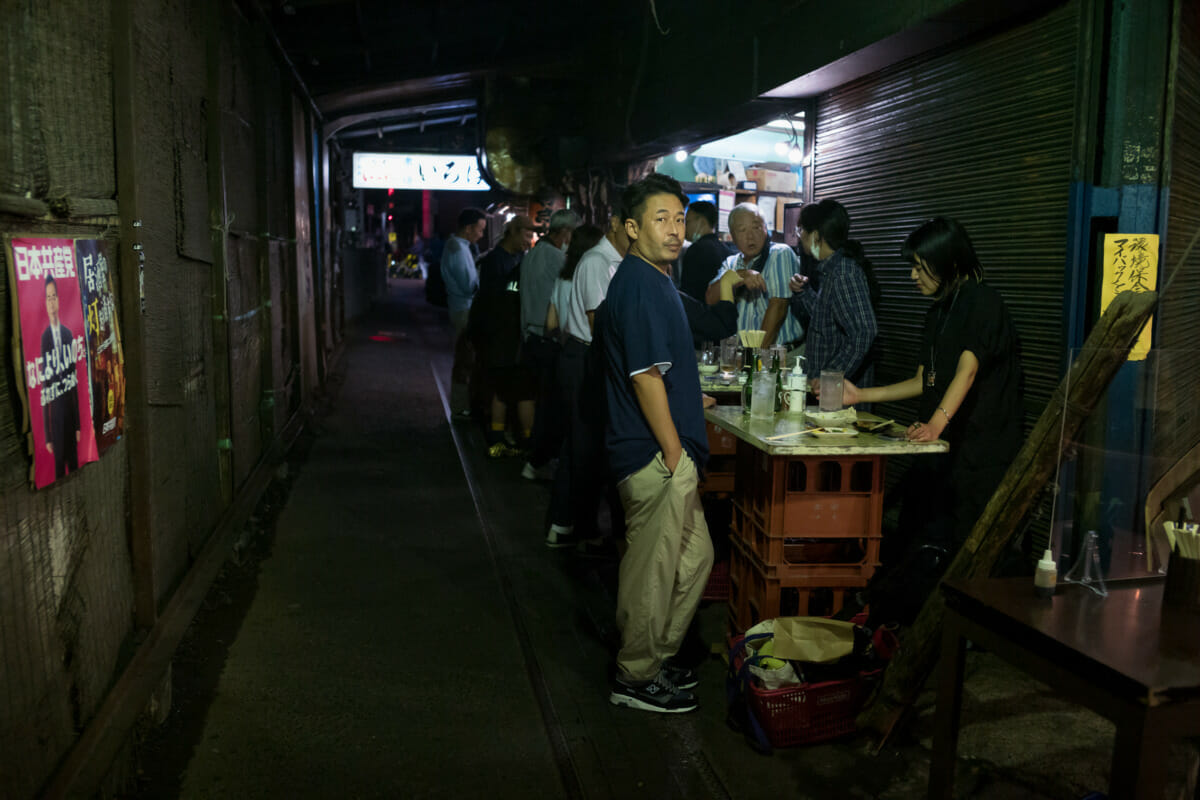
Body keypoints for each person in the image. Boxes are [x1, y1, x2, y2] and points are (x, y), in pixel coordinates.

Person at [835, 217, 1024, 626]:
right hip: (942, 452)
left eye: (922, 267)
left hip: (980, 454)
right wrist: (860, 395)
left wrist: (936, 424)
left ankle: (960, 636)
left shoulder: (982, 302)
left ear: (950, 263)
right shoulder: (938, 313)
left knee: (964, 549)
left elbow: (967, 370)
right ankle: (906, 626)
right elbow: (926, 380)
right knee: (918, 537)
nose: (913, 276)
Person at [598, 173, 713, 713]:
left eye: (678, 219)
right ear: (631, 227)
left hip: (664, 451)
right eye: (660, 219)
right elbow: (645, 375)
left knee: (692, 562)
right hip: (652, 455)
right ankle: (634, 677)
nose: (674, 230)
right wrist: (672, 452)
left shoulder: (655, 278)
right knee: (653, 572)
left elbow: (663, 373)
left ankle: (655, 660)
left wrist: (693, 403)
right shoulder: (640, 283)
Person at [545, 205, 630, 548]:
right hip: (585, 357)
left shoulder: (615, 261)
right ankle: (577, 526)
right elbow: (601, 325)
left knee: (583, 445)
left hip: (586, 355)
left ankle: (567, 524)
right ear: (616, 225)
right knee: (585, 446)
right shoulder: (598, 262)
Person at [788, 199, 879, 384]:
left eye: (801, 230)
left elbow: (864, 332)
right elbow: (827, 320)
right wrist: (804, 292)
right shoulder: (831, 270)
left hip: (839, 396)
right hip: (826, 391)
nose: (799, 236)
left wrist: (831, 377)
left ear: (815, 235)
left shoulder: (844, 272)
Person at [519, 209, 580, 478]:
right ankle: (538, 458)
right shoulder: (556, 258)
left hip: (530, 336)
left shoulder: (531, 255)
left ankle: (533, 454)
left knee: (533, 396)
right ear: (565, 232)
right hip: (549, 338)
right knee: (549, 405)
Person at [471, 216, 536, 454]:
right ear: (514, 232)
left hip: (512, 332)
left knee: (508, 388)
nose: (529, 242)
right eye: (527, 236)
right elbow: (492, 300)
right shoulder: (494, 261)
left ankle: (503, 435)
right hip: (498, 333)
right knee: (502, 387)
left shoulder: (519, 258)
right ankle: (497, 438)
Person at [705, 203, 803, 354]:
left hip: (778, 355)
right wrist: (738, 276)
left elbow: (778, 308)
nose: (750, 236)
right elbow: (710, 298)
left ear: (766, 229)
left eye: (756, 227)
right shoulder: (731, 262)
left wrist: (756, 358)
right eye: (742, 230)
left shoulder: (779, 253)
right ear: (732, 236)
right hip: (743, 356)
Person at [445, 208, 488, 415]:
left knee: (465, 358)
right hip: (464, 309)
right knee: (465, 359)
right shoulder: (458, 250)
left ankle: (460, 405)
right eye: (480, 230)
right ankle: (460, 407)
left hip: (461, 307)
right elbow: (468, 286)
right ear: (469, 228)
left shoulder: (460, 247)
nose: (481, 235)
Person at [40, 275, 81, 478]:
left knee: (74, 467)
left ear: (59, 300)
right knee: (59, 473)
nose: (52, 301)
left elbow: (74, 383)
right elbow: (45, 389)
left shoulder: (68, 334)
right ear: (45, 303)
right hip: (55, 421)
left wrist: (78, 426)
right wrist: (48, 436)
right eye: (48, 297)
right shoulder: (45, 338)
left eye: (54, 296)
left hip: (70, 419)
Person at [678, 200, 728, 301]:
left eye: (687, 222)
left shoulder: (696, 250)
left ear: (701, 222)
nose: (684, 227)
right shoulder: (725, 249)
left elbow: (688, 294)